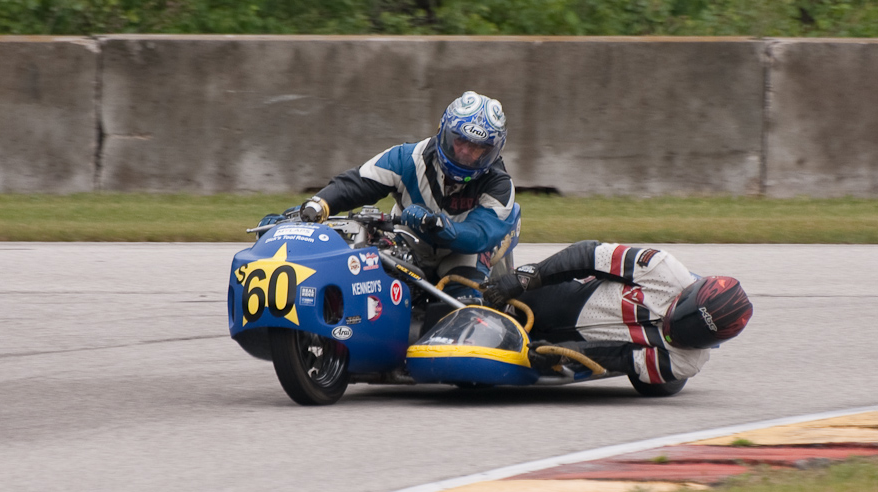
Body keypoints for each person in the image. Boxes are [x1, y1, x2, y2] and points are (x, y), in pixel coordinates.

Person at [295, 91, 521, 299]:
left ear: (492, 151)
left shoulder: (499, 184)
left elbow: (481, 234)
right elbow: (357, 182)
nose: (463, 152)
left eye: (476, 148)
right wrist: (318, 204)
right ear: (443, 132)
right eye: (459, 141)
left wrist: (439, 225)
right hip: (407, 243)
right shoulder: (408, 158)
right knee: (361, 277)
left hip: (462, 254)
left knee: (467, 299)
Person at [480, 241, 753, 384]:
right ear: (689, 295)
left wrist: (570, 352)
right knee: (494, 293)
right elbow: (588, 255)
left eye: (698, 334)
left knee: (541, 356)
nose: (684, 331)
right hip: (570, 298)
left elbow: (623, 357)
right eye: (688, 320)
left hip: (586, 343)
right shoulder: (662, 268)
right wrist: (525, 279)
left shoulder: (686, 363)